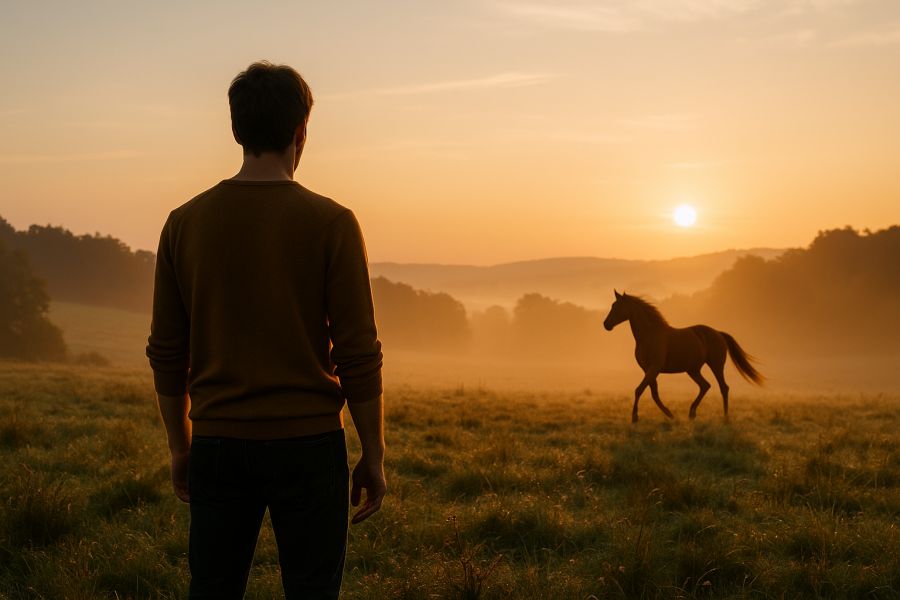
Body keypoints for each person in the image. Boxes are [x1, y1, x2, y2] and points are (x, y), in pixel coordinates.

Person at [145, 60, 386, 599]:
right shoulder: (333, 223)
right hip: (310, 446)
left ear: (236, 130)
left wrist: (180, 446)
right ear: (301, 131)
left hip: (218, 444)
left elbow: (167, 351)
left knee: (214, 589)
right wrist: (373, 453)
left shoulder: (183, 223)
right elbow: (358, 353)